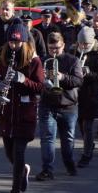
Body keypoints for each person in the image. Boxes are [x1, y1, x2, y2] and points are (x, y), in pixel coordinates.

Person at [0, 19, 44, 193]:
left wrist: (23, 79)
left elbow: (40, 87)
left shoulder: (34, 61)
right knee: (9, 153)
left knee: (19, 152)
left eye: (17, 42)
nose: (14, 46)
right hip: (7, 112)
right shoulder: (5, 57)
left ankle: (15, 191)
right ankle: (22, 170)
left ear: (24, 41)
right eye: (11, 42)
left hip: (24, 113)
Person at [36, 32, 83, 181]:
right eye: (51, 48)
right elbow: (35, 82)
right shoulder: (43, 60)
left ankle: (69, 164)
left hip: (68, 105)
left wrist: (62, 77)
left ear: (63, 45)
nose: (54, 51)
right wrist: (41, 78)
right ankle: (47, 170)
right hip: (47, 104)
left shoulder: (73, 60)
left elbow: (78, 81)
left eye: (57, 48)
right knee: (47, 138)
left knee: (67, 139)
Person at [74, 27, 98, 168]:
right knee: (80, 124)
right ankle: (90, 144)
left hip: (92, 95)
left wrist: (88, 73)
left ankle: (86, 155)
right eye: (81, 43)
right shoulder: (74, 52)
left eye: (87, 44)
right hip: (77, 95)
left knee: (88, 126)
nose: (84, 46)